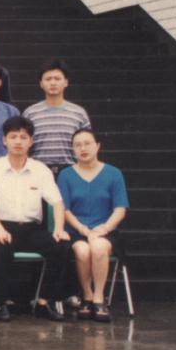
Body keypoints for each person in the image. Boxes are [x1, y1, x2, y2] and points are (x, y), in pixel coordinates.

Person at [0, 116, 70, 322]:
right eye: (13, 137)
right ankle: (0, 302)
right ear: (4, 140)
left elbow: (57, 202)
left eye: (23, 137)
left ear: (31, 141)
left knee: (62, 246)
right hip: (3, 226)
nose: (18, 142)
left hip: (31, 229)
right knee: (0, 246)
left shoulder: (41, 170)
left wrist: (58, 228)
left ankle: (43, 303)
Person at [57, 129, 128, 323]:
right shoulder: (65, 175)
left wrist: (103, 229)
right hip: (76, 230)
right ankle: (86, 296)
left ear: (97, 146)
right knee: (82, 250)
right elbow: (64, 209)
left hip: (106, 230)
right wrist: (83, 230)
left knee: (98, 247)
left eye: (87, 143)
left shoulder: (113, 173)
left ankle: (98, 298)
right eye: (77, 145)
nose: (83, 148)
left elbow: (120, 209)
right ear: (73, 150)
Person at [23, 60, 92, 176]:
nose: (53, 83)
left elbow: (88, 145)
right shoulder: (30, 113)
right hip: (38, 172)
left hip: (72, 172)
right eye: (48, 79)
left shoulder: (79, 113)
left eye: (57, 79)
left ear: (66, 82)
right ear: (41, 83)